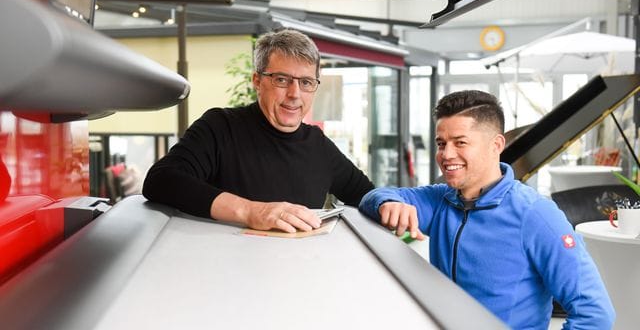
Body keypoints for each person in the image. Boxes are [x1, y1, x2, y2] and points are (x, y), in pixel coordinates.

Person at [358, 90, 614, 329]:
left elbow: (595, 312)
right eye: (440, 143)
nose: (446, 154)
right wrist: (387, 203)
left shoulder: (535, 215)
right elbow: (373, 196)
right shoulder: (440, 199)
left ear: (496, 145)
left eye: (460, 142)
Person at [143, 28, 374, 234]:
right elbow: (161, 180)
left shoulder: (319, 145)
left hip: (300, 271)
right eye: (282, 80)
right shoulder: (220, 127)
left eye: (305, 82)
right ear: (257, 81)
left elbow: (365, 195)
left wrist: (389, 203)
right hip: (224, 271)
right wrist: (251, 211)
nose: (295, 94)